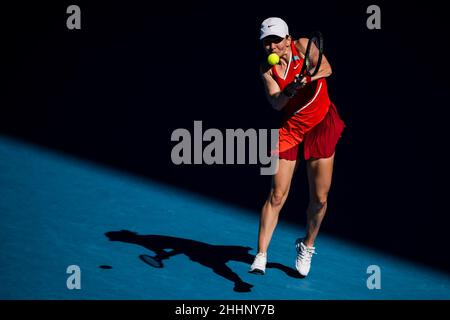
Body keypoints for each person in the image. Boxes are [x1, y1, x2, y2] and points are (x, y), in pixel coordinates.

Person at [249, 17, 345, 277]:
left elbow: (326, 68)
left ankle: (307, 244)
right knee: (277, 195)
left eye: (276, 40)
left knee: (320, 199)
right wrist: (289, 90)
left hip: (321, 124)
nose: (272, 46)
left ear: (288, 40)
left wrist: (307, 76)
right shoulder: (266, 69)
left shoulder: (303, 46)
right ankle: (261, 255)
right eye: (267, 42)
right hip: (291, 130)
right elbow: (276, 103)